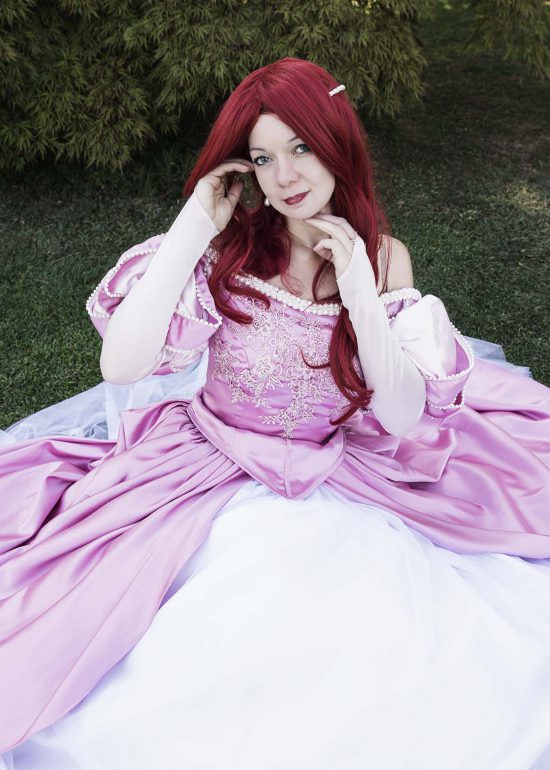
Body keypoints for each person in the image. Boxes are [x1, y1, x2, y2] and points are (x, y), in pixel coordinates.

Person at [1, 57, 550, 770]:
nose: (285, 176)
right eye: (263, 159)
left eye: (301, 147)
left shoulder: (384, 258)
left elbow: (401, 414)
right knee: (203, 630)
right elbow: (122, 365)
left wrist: (359, 288)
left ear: (336, 140)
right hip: (206, 462)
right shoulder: (232, 249)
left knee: (363, 644)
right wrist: (194, 225)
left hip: (335, 471)